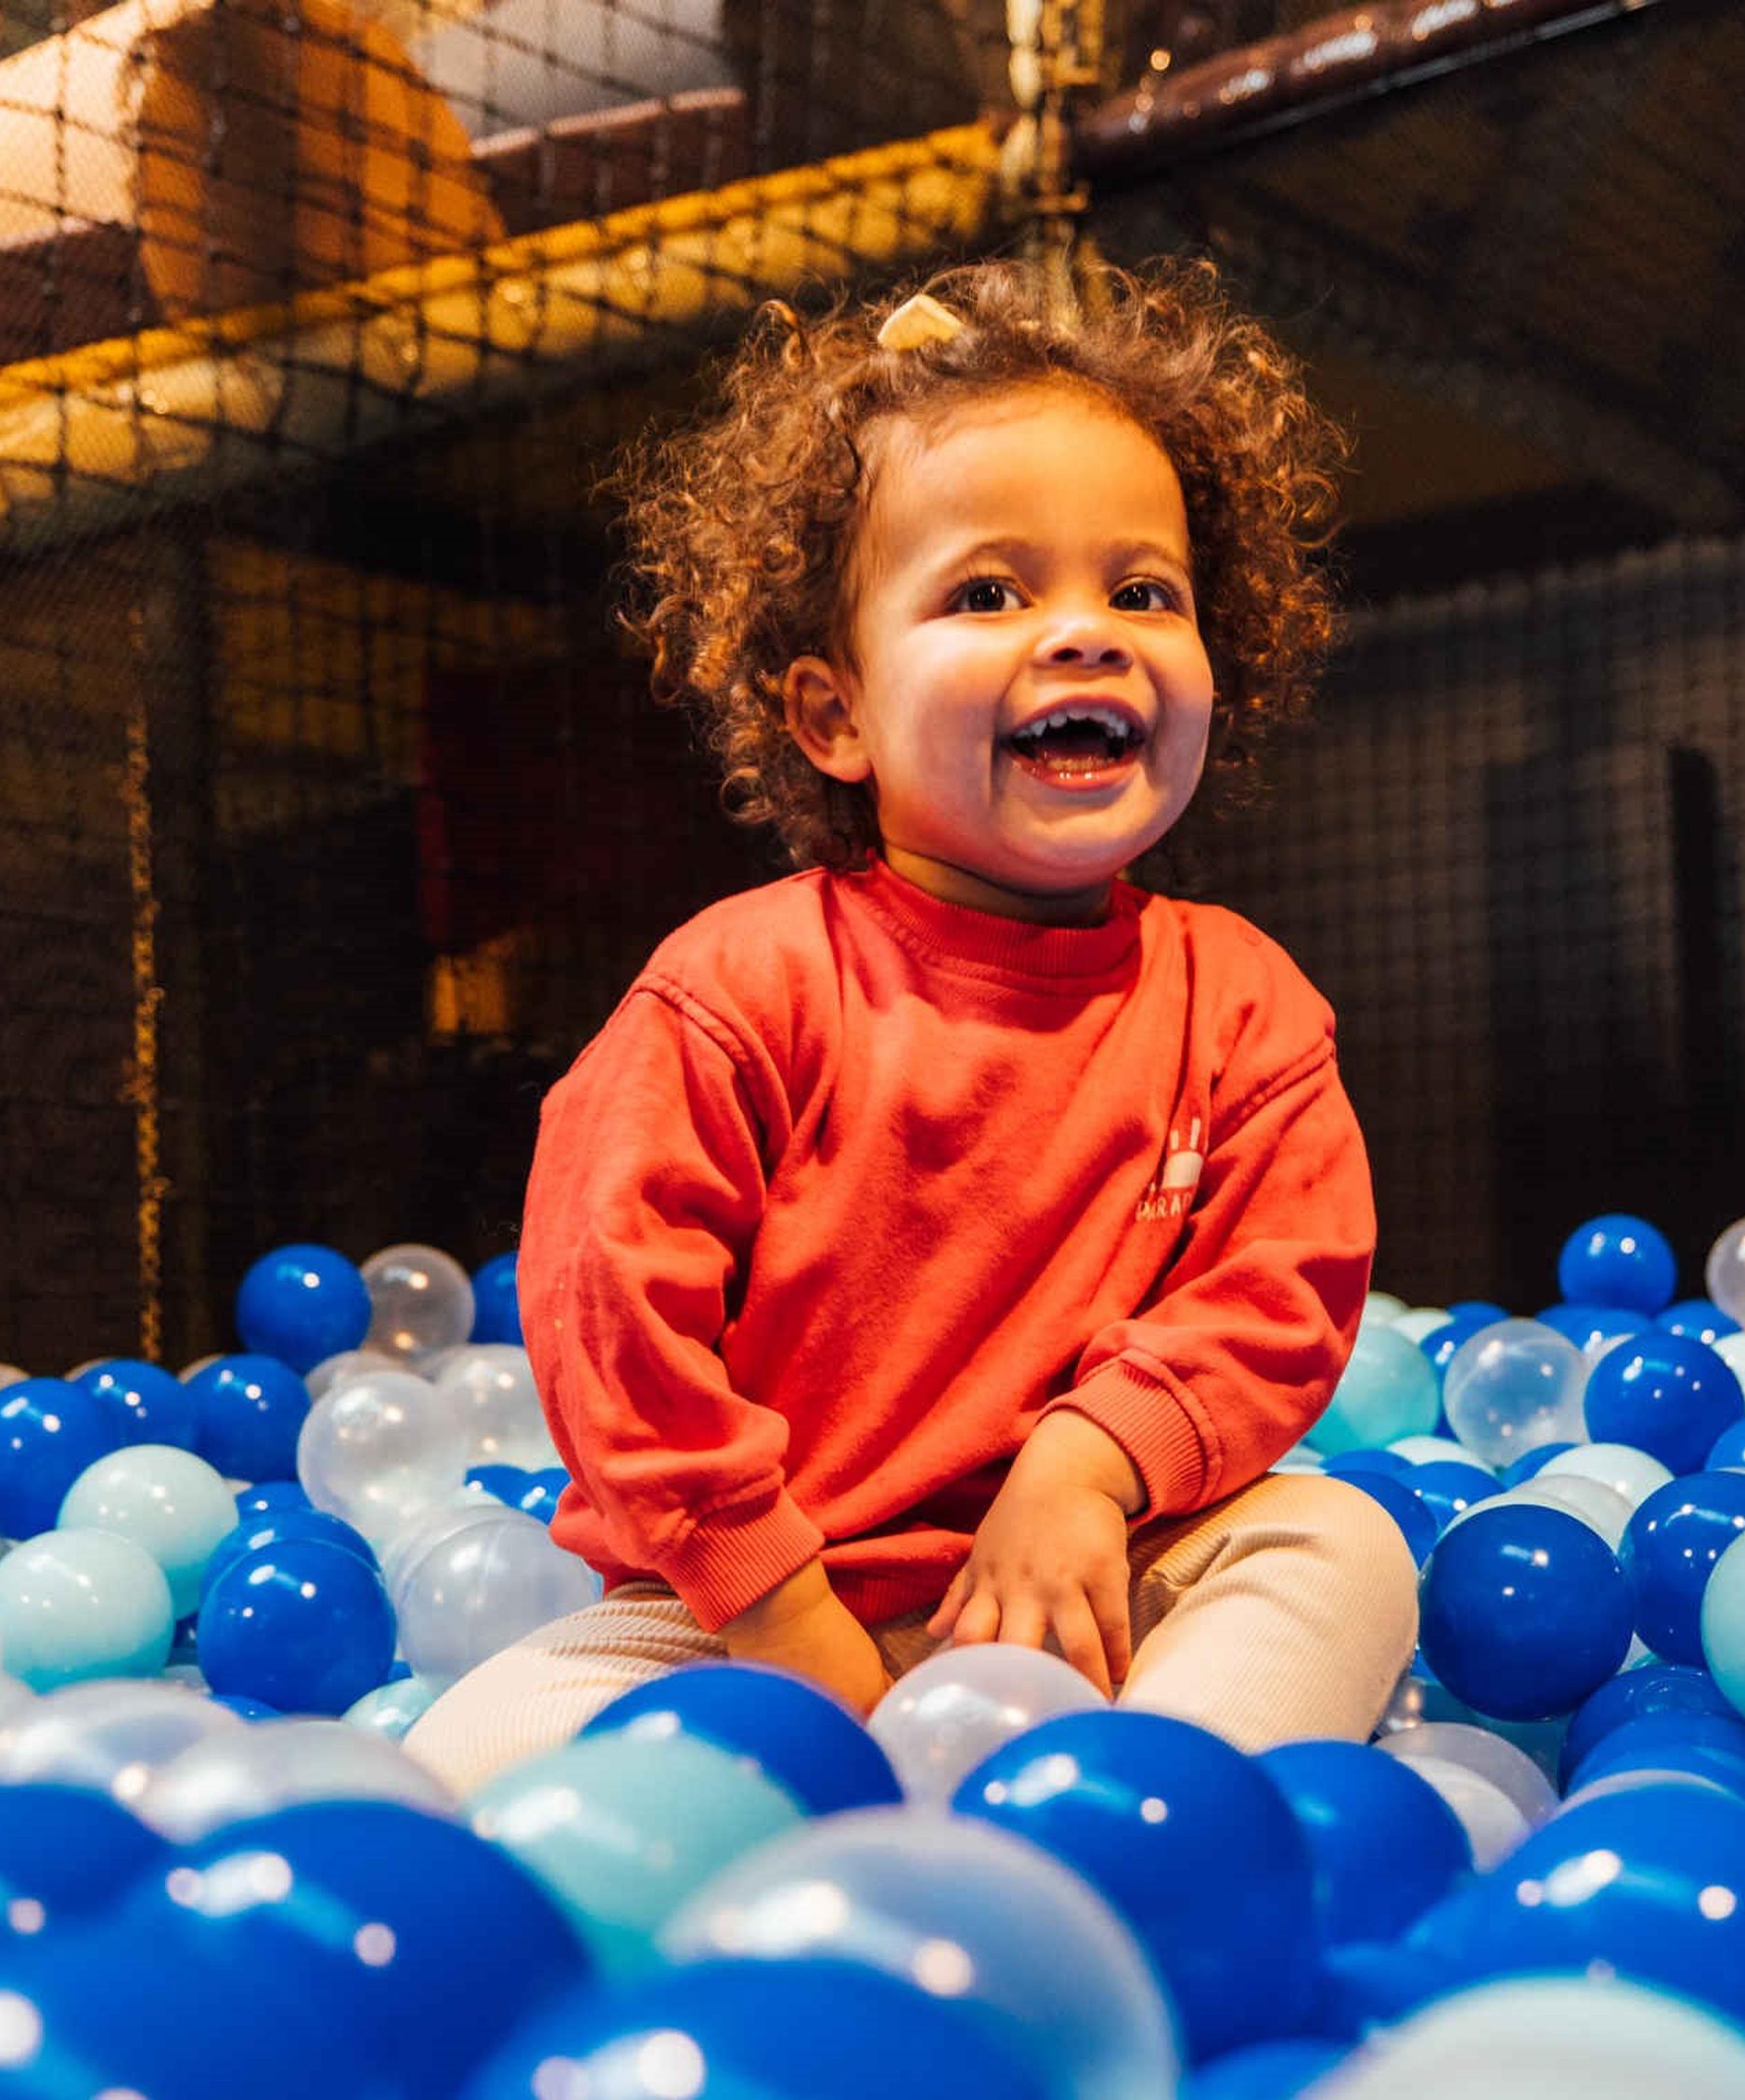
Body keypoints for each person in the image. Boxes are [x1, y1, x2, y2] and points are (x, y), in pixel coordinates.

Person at [404, 254, 1418, 1794]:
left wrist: (1090, 1467)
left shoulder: (1243, 1004)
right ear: (838, 716)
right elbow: (616, 1304)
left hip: (1093, 1587)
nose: (1085, 634)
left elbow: (1281, 1291)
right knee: (478, 1756)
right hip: (737, 1613)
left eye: (1142, 590)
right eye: (990, 593)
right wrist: (778, 1606)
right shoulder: (739, 989)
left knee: (1342, 1545)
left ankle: (1137, 1814)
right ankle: (874, 1833)